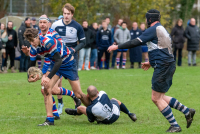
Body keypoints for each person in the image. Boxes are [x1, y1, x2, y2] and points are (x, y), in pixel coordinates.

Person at [108, 9, 195, 133]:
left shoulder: (153, 30)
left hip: (163, 66)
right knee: (161, 96)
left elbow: (135, 42)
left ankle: (175, 125)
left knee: (155, 98)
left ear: (149, 19)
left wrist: (117, 46)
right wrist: (151, 62)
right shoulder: (162, 29)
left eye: (146, 18)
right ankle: (187, 111)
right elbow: (164, 48)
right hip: (168, 64)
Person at [23, 27, 90, 126]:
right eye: (30, 41)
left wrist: (47, 77)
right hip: (55, 63)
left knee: (79, 94)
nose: (32, 43)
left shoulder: (48, 42)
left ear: (38, 36)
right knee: (46, 88)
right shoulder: (33, 47)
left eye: (33, 40)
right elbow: (32, 65)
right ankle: (50, 120)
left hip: (67, 63)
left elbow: (59, 60)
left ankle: (94, 110)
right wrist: (30, 76)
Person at [65, 85, 137, 124]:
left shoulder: (91, 108)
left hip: (105, 121)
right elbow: (108, 101)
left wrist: (89, 113)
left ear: (87, 95)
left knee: (81, 108)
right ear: (97, 92)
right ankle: (130, 114)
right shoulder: (103, 93)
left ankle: (76, 111)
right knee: (115, 100)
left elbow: (91, 121)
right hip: (116, 114)